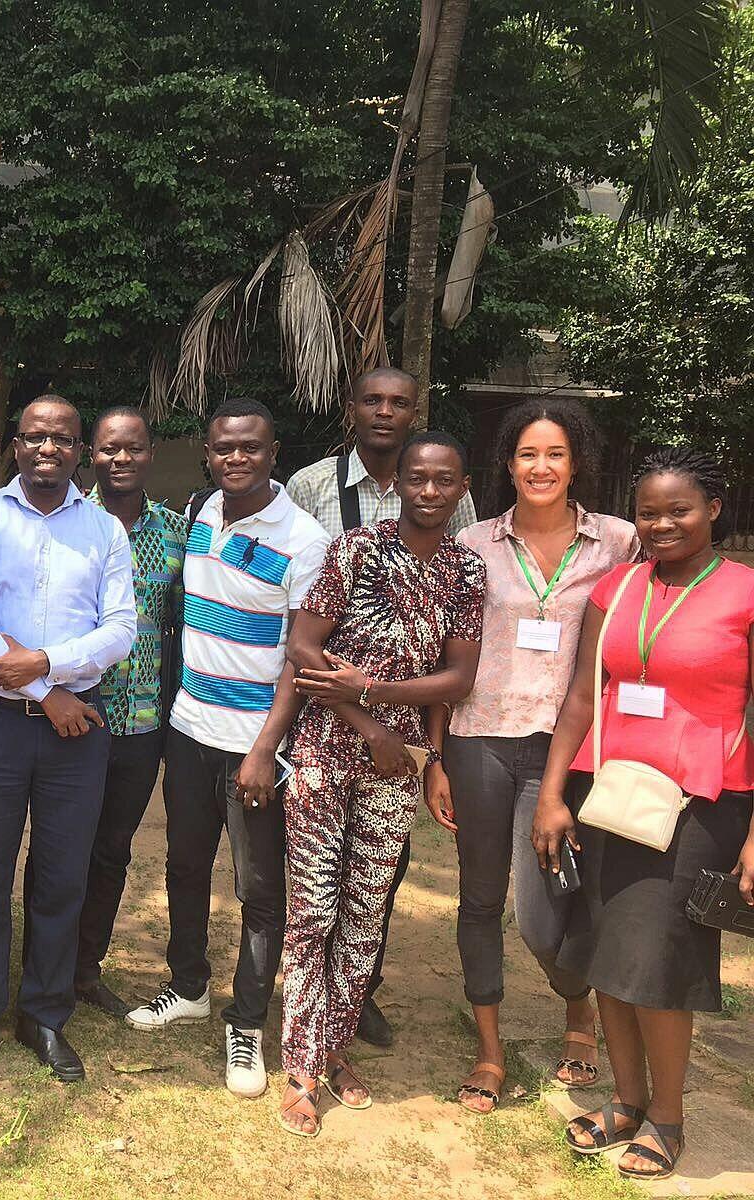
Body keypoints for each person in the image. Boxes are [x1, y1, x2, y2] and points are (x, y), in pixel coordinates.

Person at [534, 448, 754, 1181]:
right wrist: (552, 793)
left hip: (703, 804)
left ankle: (668, 1118)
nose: (661, 524)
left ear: (714, 510)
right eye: (649, 511)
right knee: (607, 953)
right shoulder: (617, 589)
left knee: (659, 962)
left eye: (679, 510)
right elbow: (577, 699)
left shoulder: (745, 593)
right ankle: (626, 1102)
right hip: (614, 794)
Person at [431, 400, 638, 1114]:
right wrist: (435, 755)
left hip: (572, 747)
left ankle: (576, 1008)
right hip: (480, 737)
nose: (540, 467)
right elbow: (444, 652)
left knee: (547, 909)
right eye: (527, 455)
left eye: (554, 454)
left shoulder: (619, 542)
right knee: (481, 899)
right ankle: (489, 1051)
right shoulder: (473, 545)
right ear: (508, 464)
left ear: (575, 461)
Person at [277, 431, 483, 1137]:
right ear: (402, 486)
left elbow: (459, 679)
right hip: (328, 752)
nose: (429, 490)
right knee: (312, 914)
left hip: (395, 773)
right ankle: (300, 1066)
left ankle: (334, 1049)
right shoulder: (355, 550)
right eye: (419, 478)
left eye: (444, 480)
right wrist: (371, 721)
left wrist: (386, 700)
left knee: (364, 915)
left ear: (461, 488)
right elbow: (304, 648)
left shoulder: (466, 571)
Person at [126, 399, 330, 1103]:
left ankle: (246, 1022)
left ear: (274, 452)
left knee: (260, 890)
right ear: (209, 454)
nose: (235, 458)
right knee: (184, 865)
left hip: (253, 747)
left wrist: (265, 750)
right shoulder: (202, 513)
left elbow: (303, 659)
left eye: (250, 447)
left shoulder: (304, 539)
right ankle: (188, 986)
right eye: (223, 448)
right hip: (187, 730)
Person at [0, 395, 136, 1083]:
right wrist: (45, 693)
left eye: (61, 438)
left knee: (61, 877)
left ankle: (45, 1015)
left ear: (79, 450)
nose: (47, 447)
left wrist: (51, 667)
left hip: (77, 729)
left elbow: (120, 630)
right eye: (34, 437)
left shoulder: (106, 531)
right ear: (14, 447)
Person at [61, 406, 186, 1019]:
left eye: (132, 449)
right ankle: (47, 965)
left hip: (142, 721)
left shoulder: (175, 530)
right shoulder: (65, 522)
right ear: (91, 454)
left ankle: (87, 968)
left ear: (150, 454)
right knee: (63, 846)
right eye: (109, 449)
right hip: (73, 713)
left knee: (112, 846)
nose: (120, 459)